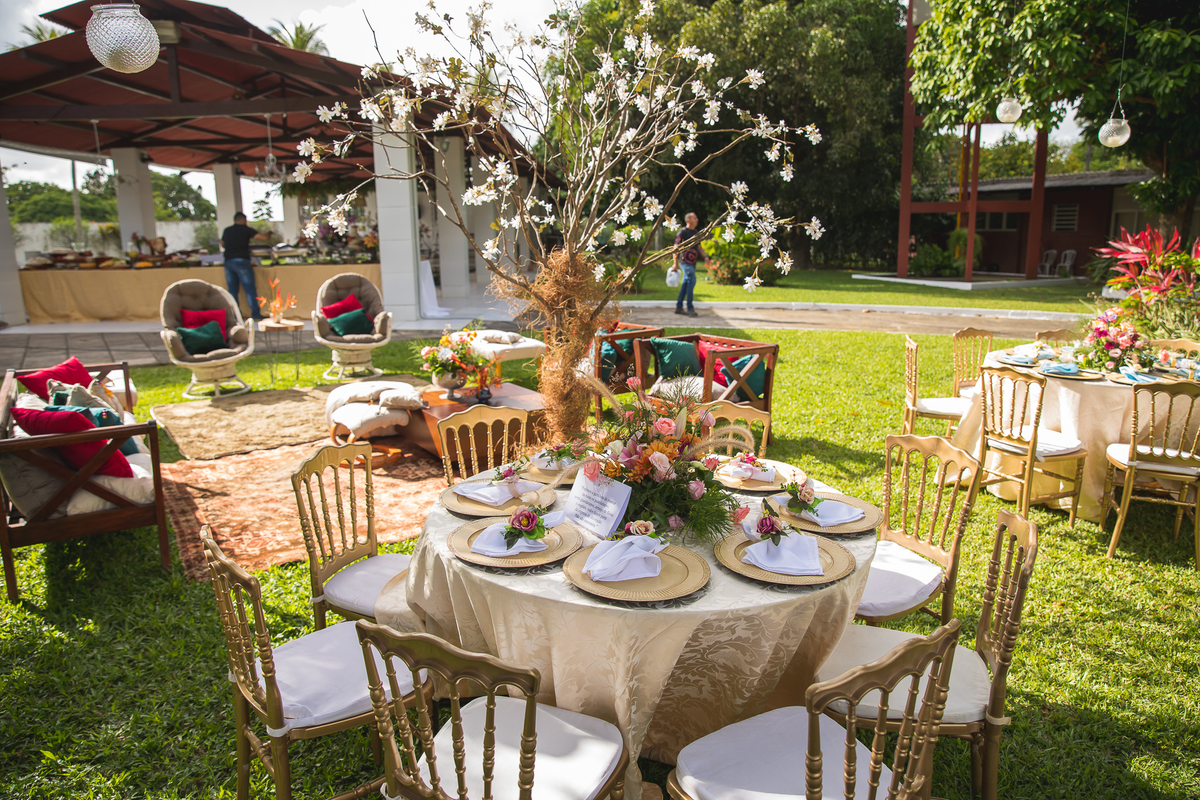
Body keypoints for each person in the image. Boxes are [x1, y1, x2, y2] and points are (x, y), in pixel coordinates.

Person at [221, 212, 269, 321]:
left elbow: (222, 244)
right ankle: (255, 314)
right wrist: (269, 233)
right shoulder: (246, 229)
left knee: (232, 290)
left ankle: (235, 316)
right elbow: (263, 238)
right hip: (242, 261)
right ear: (244, 220)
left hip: (229, 262)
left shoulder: (227, 230)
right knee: (249, 289)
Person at [673, 212, 706, 317]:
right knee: (691, 282)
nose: (697, 220)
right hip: (685, 263)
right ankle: (690, 308)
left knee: (686, 284)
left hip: (692, 263)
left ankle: (679, 307)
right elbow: (675, 248)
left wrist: (705, 257)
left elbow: (699, 248)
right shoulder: (682, 232)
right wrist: (675, 264)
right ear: (688, 220)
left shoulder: (695, 233)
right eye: (694, 218)